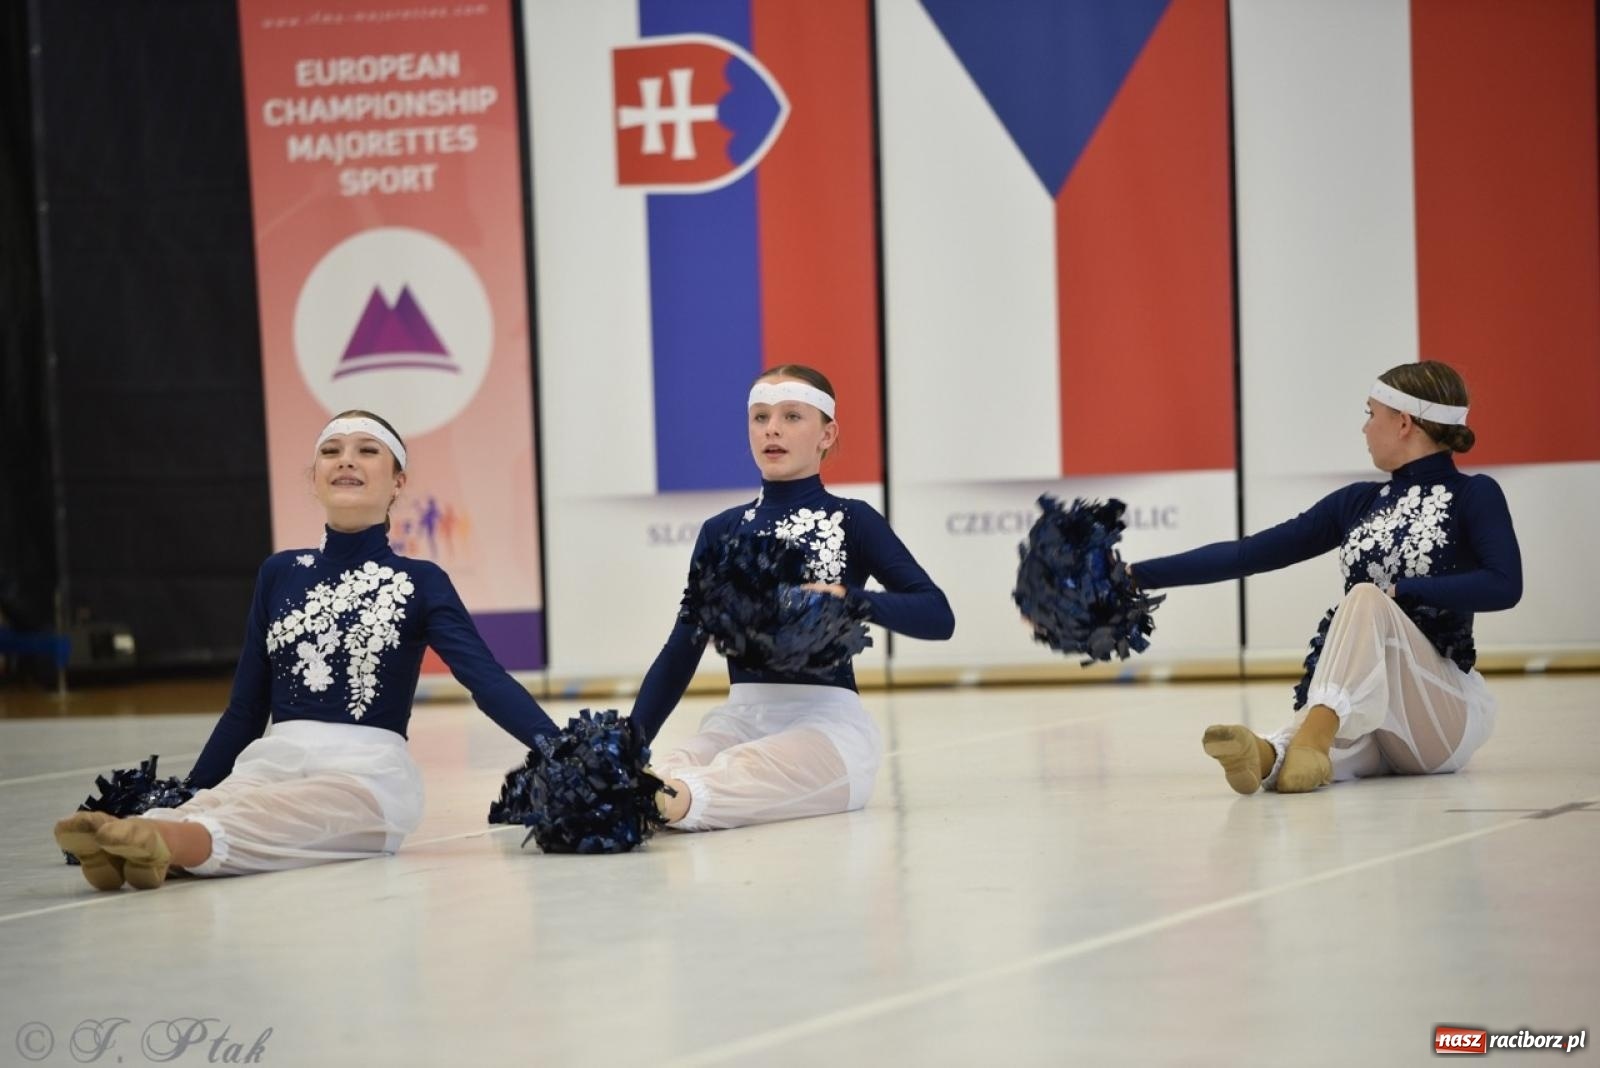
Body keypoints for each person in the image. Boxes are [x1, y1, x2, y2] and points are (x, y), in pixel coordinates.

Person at [54, 411, 559, 889]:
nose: (346, 460)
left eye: (367, 451)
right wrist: (190, 789)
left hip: (365, 775)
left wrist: (563, 751)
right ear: (314, 479)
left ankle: (161, 842)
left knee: (285, 814)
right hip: (275, 758)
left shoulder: (421, 581)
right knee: (227, 799)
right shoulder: (279, 573)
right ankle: (154, 840)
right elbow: (247, 708)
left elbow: (485, 679)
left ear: (397, 483)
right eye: (331, 451)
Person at [1128, 361, 1521, 793]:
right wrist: (1133, 577)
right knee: (1332, 734)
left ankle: (1311, 735)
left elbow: (1504, 585)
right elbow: (1247, 554)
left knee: (1367, 598)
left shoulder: (1474, 494)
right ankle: (1267, 754)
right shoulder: (1357, 502)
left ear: (1404, 422)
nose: (1365, 428)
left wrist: (1401, 591)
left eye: (1371, 414)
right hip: (1379, 718)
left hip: (1440, 714)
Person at [631, 365, 954, 830]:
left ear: (827, 434)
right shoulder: (720, 531)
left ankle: (669, 803)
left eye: (792, 417)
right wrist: (627, 746)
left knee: (735, 773)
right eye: (760, 417)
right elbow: (681, 649)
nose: (773, 429)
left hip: (827, 729)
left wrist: (849, 599)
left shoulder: (855, 520)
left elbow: (937, 615)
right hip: (738, 721)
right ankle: (655, 795)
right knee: (671, 765)